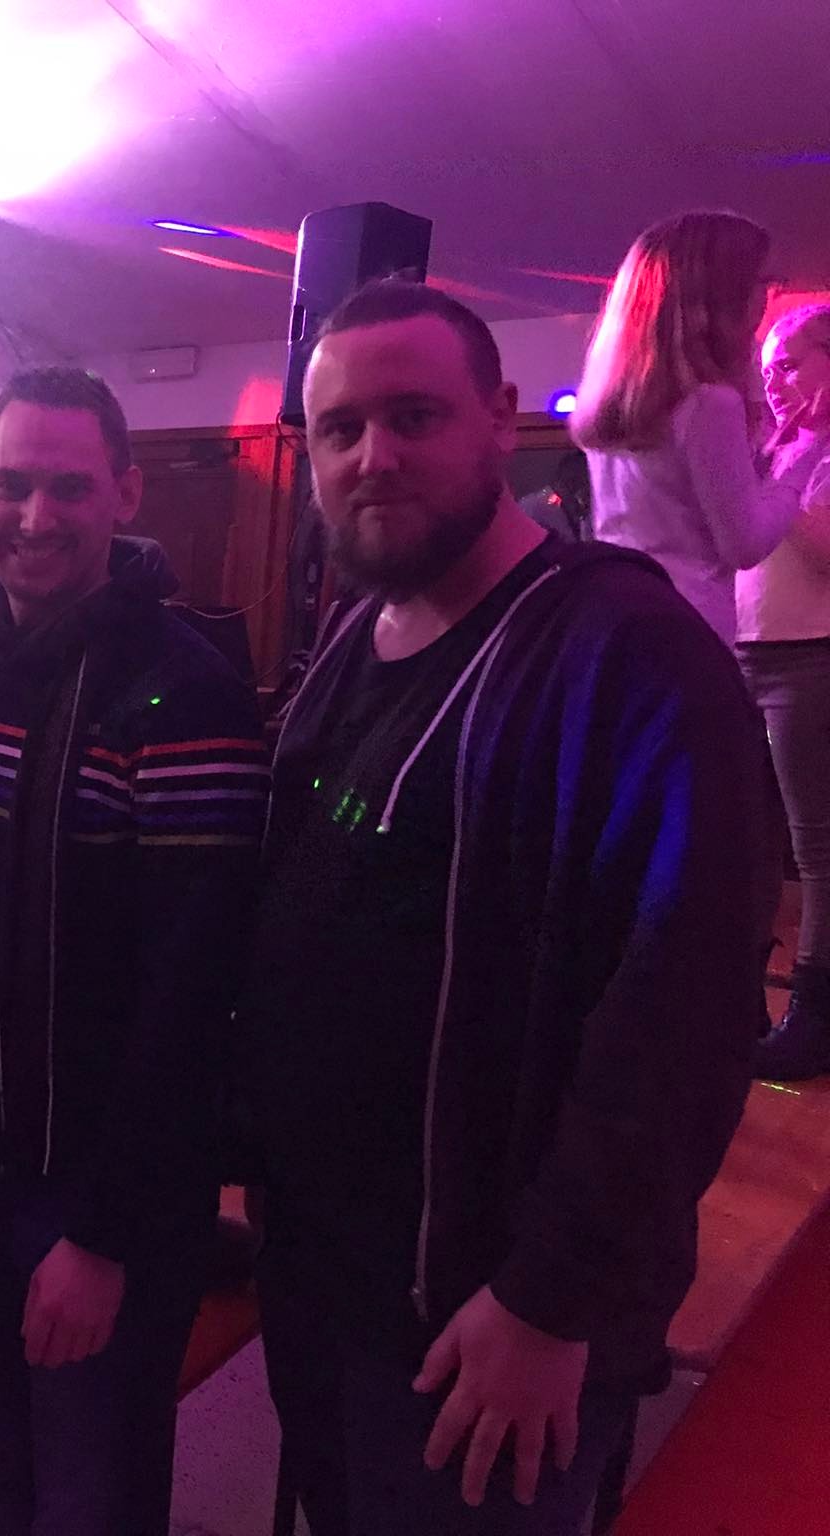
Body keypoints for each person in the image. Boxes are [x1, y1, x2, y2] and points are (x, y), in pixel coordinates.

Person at [235, 280, 769, 1535]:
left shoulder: (625, 650)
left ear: (498, 418)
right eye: (340, 429)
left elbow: (683, 1013)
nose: (373, 456)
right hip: (328, 1273)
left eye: (412, 416)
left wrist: (547, 1299)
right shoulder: (357, 638)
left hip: (488, 1311)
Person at [0, 366, 267, 1536]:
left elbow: (194, 994)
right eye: (10, 486)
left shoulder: (180, 689)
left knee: (91, 1500)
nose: (36, 516)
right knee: (6, 1483)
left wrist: (103, 1234)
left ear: (123, 493)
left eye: (68, 487)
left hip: (96, 1203)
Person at [574, 210, 798, 643]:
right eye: (762, 283)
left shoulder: (615, 399)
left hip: (618, 607)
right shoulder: (709, 404)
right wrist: (800, 466)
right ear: (724, 294)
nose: (766, 298)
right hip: (687, 619)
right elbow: (745, 545)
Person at [741, 303, 830, 1080]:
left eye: (790, 362)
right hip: (744, 653)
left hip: (811, 656)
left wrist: (788, 472)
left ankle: (815, 1013)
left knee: (816, 845)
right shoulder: (778, 448)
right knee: (742, 834)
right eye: (768, 366)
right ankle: (739, 992)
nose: (773, 379)